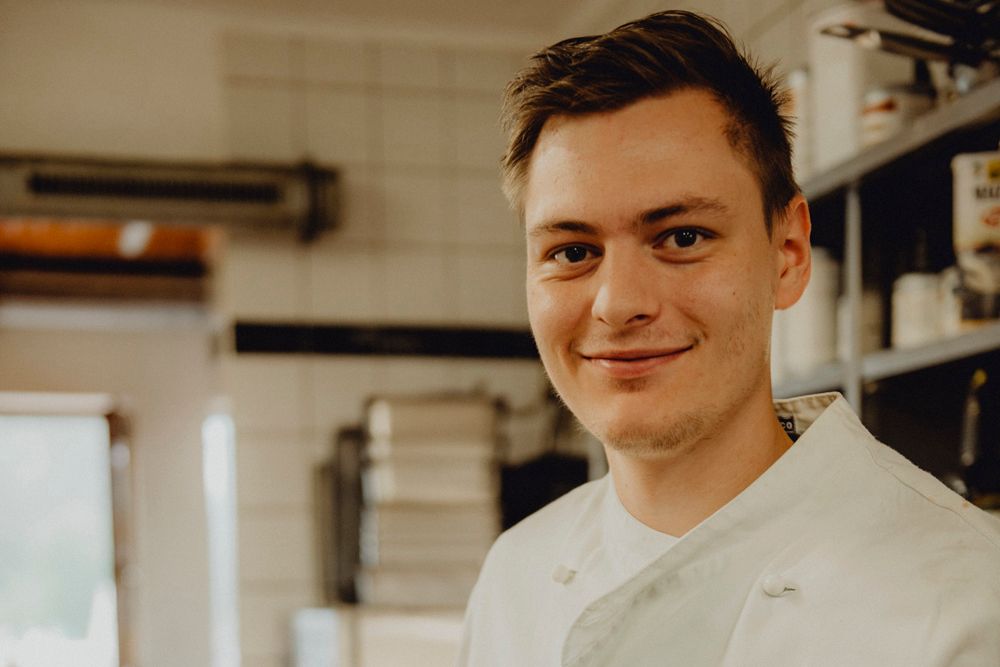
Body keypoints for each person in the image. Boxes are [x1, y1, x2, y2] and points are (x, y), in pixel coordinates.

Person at [458, 10, 1000, 666]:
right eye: (571, 250)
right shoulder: (515, 575)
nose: (618, 303)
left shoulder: (965, 602)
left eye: (681, 236)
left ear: (789, 252)